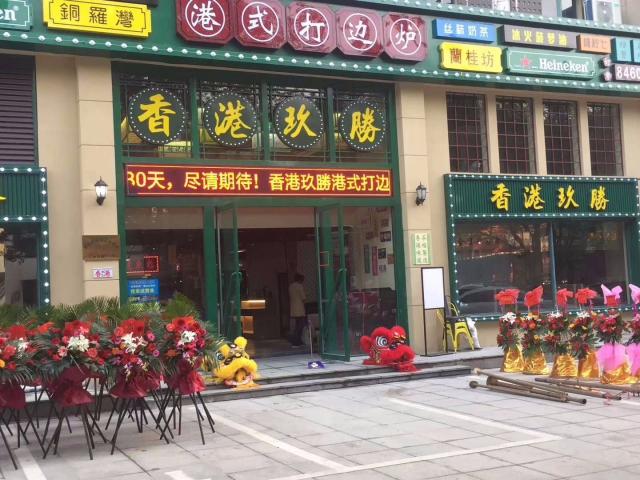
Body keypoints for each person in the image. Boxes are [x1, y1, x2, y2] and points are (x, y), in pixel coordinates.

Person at [288, 273, 307, 347]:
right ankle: (296, 341)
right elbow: (303, 298)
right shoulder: (299, 286)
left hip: (293, 308)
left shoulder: (291, 286)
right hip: (300, 308)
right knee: (300, 326)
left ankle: (297, 341)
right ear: (300, 279)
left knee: (297, 325)